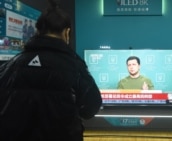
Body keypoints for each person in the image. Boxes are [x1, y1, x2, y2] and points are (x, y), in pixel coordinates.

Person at [0, 0, 102, 141]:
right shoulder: (75, 66)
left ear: (37, 31)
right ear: (67, 33)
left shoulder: (11, 65)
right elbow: (91, 107)